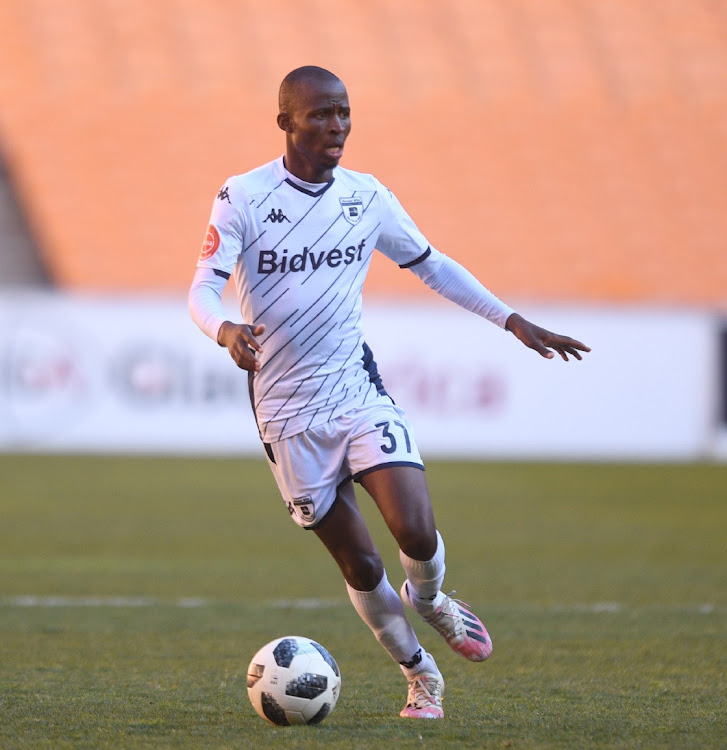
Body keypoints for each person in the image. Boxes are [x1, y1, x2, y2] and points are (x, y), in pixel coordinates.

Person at [189, 65, 590, 720]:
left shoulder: (366, 196)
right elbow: (201, 288)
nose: (336, 126)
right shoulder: (242, 197)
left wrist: (510, 320)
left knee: (414, 527)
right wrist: (225, 329)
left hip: (354, 389)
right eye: (319, 114)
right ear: (286, 121)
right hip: (285, 413)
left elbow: (431, 262)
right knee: (359, 563)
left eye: (343, 112)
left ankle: (430, 599)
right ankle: (419, 673)